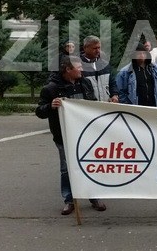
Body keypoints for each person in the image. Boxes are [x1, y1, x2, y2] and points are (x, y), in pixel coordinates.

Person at [35, 56, 106, 215]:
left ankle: (93, 196)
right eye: (78, 67)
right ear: (68, 69)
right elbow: (39, 112)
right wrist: (50, 106)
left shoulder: (85, 84)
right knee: (66, 169)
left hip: (86, 135)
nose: (82, 69)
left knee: (89, 165)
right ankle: (69, 199)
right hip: (64, 136)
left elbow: (92, 104)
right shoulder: (51, 89)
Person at [79, 36, 118, 103]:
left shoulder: (105, 65)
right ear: (85, 48)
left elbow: (112, 83)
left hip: (106, 106)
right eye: (94, 48)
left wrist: (114, 95)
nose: (98, 51)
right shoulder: (79, 66)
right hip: (89, 108)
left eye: (99, 48)